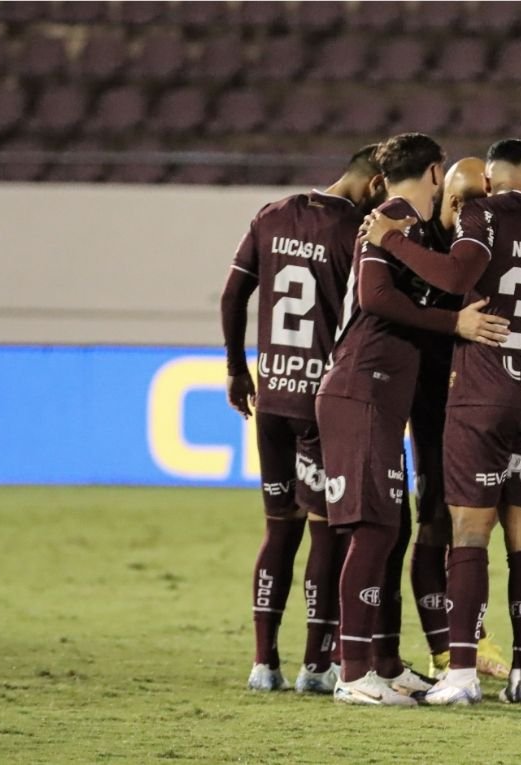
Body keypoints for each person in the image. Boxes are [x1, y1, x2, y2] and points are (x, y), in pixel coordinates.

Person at [363, 138, 521, 704]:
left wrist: (388, 238)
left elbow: (459, 276)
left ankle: (460, 672)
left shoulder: (483, 213)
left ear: (490, 181)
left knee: (468, 534)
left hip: (486, 394)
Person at [316, 133, 510, 705]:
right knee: (374, 530)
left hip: (378, 392)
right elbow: (375, 297)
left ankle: (384, 661)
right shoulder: (391, 217)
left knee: (390, 529)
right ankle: (352, 673)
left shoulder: (411, 232)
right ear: (435, 171)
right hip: (360, 386)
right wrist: (453, 325)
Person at [220, 145, 385, 694]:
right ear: (376, 183)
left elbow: (232, 294)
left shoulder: (272, 215)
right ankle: (317, 664)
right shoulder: (358, 232)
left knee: (278, 529)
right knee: (324, 532)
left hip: (273, 398)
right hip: (322, 401)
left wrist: (237, 369)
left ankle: (263, 662)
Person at [405, 156, 513, 682]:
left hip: (475, 405)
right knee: (435, 522)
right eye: (473, 202)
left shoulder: (483, 245)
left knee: (477, 525)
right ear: (452, 201)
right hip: (429, 407)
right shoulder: (422, 246)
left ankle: (466, 636)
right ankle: (444, 646)